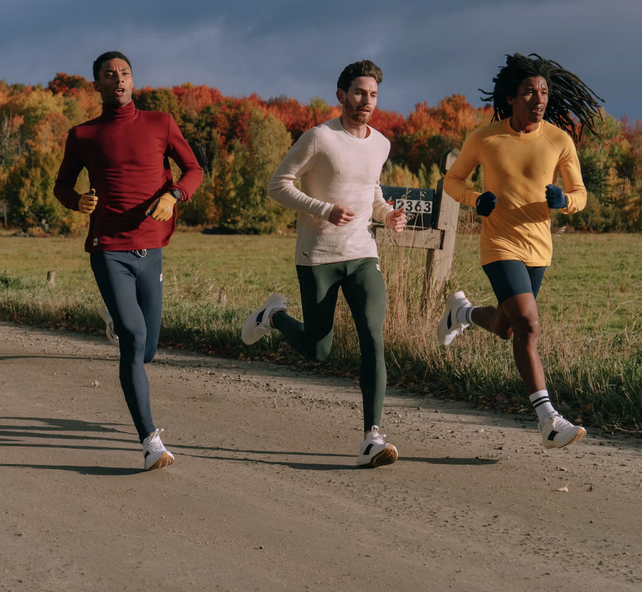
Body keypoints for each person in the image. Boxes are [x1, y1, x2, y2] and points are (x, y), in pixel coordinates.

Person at [241, 60, 406, 467]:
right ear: (341, 96)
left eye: (372, 95)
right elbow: (277, 185)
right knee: (319, 350)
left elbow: (372, 192)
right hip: (318, 256)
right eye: (358, 93)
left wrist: (387, 215)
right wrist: (323, 209)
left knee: (372, 336)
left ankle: (372, 435)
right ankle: (274, 316)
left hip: (363, 254)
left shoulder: (381, 144)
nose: (366, 102)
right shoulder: (318, 138)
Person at [438, 53, 603, 449]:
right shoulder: (485, 138)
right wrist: (475, 199)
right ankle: (548, 419)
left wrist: (564, 200)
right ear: (511, 97)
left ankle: (461, 312)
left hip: (538, 248)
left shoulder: (558, 140)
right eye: (530, 91)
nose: (538, 98)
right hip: (499, 243)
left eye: (543, 91)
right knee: (529, 324)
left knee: (508, 327)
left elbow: (581, 194)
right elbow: (452, 179)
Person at [54, 51, 203, 470]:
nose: (118, 79)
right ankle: (150, 441)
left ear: (133, 81)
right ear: (96, 85)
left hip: (150, 249)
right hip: (108, 248)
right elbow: (61, 185)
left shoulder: (161, 123)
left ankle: (116, 320)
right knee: (134, 339)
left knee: (148, 349)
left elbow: (193, 170)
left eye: (124, 73)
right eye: (108, 74)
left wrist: (174, 196)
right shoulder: (83, 135)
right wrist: (76, 200)